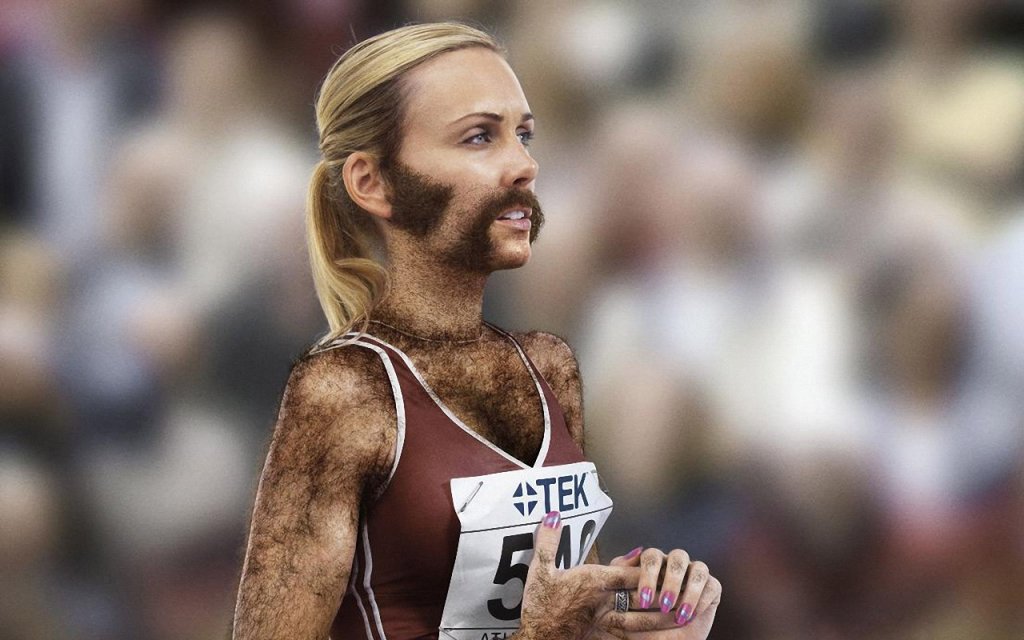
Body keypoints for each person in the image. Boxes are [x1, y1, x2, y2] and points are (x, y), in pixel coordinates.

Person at [232, 22, 722, 640]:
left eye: (524, 134)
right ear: (372, 183)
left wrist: (643, 627)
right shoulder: (345, 393)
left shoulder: (549, 367)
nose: (524, 164)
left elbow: (562, 615)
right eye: (479, 137)